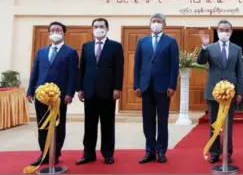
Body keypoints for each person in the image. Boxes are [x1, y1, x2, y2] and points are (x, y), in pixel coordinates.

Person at [26, 21, 79, 166]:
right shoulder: (41, 51)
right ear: (49, 33)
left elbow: (73, 75)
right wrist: (30, 90)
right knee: (42, 125)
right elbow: (35, 72)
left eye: (59, 30)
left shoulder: (71, 52)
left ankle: (55, 154)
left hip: (59, 97)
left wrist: (69, 93)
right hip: (41, 95)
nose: (55, 32)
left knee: (57, 126)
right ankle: (44, 153)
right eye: (53, 30)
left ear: (63, 33)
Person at [76, 18, 124, 165]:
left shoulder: (115, 46)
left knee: (107, 124)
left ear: (107, 28)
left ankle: (108, 153)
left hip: (108, 92)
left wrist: (117, 88)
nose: (98, 29)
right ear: (92, 29)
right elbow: (82, 68)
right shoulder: (86, 46)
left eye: (101, 26)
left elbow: (119, 69)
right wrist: (80, 88)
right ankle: (88, 153)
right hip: (89, 91)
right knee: (89, 125)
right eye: (95, 26)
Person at [134, 13, 179, 164]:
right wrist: (136, 85)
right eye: (153, 21)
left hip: (163, 87)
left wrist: (172, 85)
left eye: (159, 21)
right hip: (145, 86)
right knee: (147, 120)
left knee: (162, 120)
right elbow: (137, 65)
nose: (156, 23)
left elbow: (174, 65)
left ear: (164, 24)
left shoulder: (171, 42)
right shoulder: (142, 42)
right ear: (149, 23)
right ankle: (149, 151)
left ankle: (161, 151)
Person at [197, 19, 243, 163]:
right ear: (217, 31)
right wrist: (204, 47)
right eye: (221, 30)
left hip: (230, 92)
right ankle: (214, 152)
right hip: (214, 92)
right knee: (214, 123)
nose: (224, 32)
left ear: (231, 31)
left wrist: (240, 91)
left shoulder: (237, 49)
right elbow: (201, 61)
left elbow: (240, 72)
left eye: (227, 30)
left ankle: (227, 152)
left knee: (228, 123)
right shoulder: (210, 48)